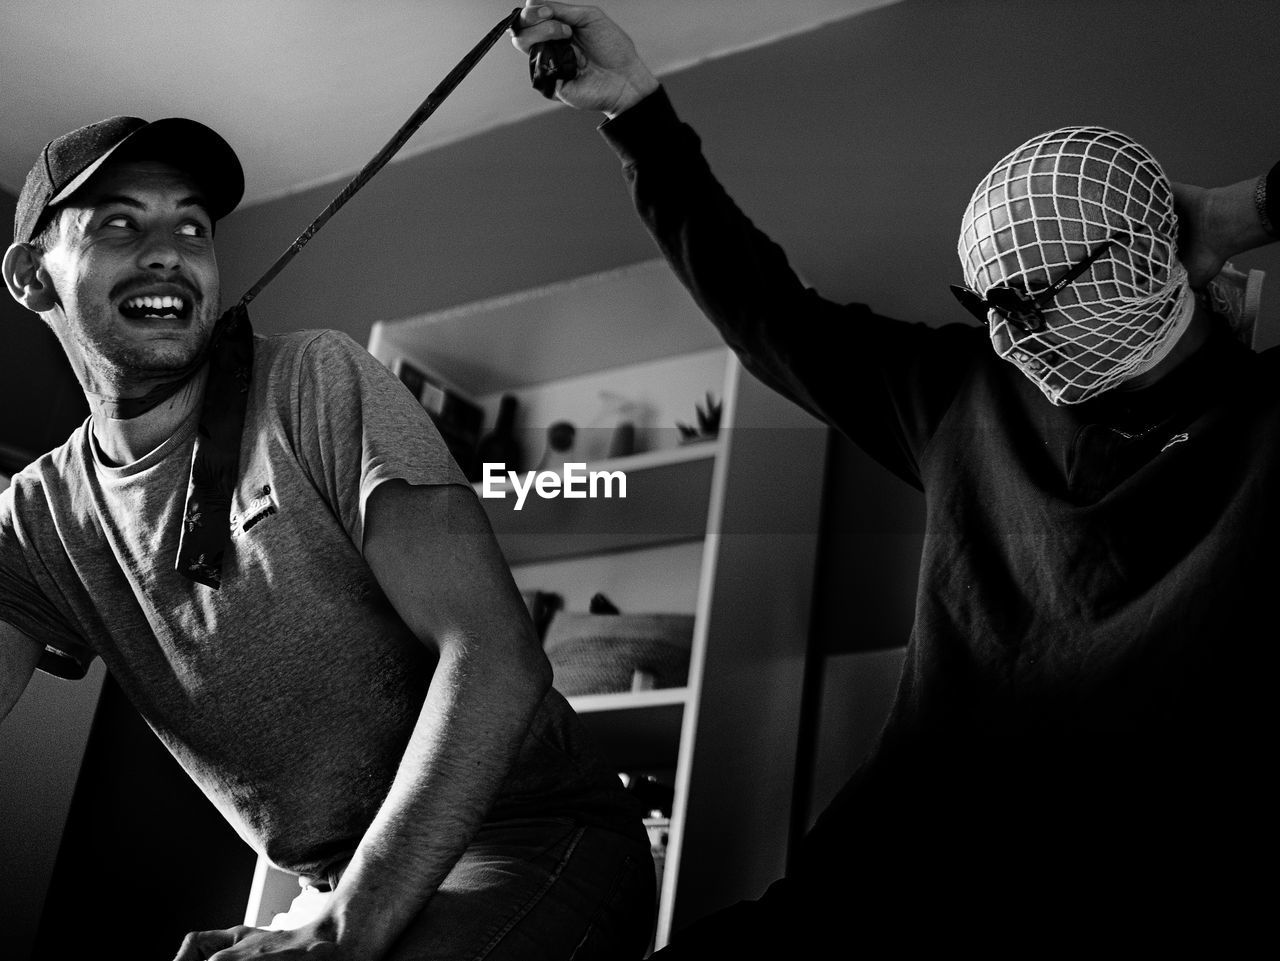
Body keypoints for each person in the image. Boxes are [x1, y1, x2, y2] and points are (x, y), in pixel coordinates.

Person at [512, 2, 1279, 953]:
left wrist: (1248, 208)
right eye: (987, 303)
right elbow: (770, 317)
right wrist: (636, 113)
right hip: (876, 889)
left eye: (1036, 298)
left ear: (1146, 258)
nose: (1008, 334)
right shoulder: (967, 394)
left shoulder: (1267, 422)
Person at [0, 115, 656, 959]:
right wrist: (330, 915)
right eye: (120, 223)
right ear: (31, 277)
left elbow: (497, 653)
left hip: (531, 839)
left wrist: (344, 929)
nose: (168, 250)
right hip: (341, 887)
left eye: (192, 225)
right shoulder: (36, 517)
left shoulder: (315, 377)